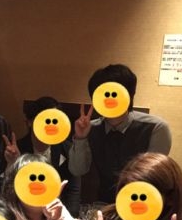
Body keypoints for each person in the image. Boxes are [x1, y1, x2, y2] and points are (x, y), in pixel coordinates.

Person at [68, 64, 172, 203]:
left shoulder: (156, 128)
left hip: (142, 204)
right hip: (104, 204)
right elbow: (78, 170)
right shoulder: (90, 128)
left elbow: (152, 178)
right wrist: (81, 138)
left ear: (129, 95)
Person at [7, 96, 81, 218]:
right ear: (30, 122)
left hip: (57, 211)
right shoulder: (18, 149)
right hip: (25, 212)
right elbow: (9, 190)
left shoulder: (67, 148)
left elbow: (74, 188)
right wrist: (13, 164)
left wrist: (70, 218)